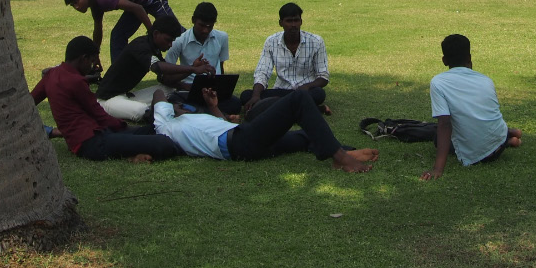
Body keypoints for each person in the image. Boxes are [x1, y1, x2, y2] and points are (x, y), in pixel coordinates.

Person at [153, 87, 377, 173]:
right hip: (240, 143)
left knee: (303, 135)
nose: (184, 109)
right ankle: (340, 158)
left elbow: (221, 128)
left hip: (244, 139)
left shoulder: (192, 120)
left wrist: (213, 108)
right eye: (180, 107)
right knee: (298, 98)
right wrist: (171, 102)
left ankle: (343, 151)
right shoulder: (165, 124)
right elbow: (157, 95)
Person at [31, 36, 179, 162]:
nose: (91, 67)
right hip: (92, 142)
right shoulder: (75, 81)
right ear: (84, 58)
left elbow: (30, 101)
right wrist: (123, 126)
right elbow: (97, 113)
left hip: (96, 134)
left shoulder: (51, 75)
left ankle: (134, 151)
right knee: (162, 142)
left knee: (150, 130)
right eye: (91, 62)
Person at [421, 34, 521, 181]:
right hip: (499, 144)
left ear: (444, 60)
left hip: (480, 155)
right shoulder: (486, 80)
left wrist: (437, 169)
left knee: (438, 139)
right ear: (469, 58)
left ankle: (510, 138)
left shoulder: (438, 82)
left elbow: (444, 123)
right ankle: (509, 136)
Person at [241, 2, 330, 115]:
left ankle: (276, 106)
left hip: (306, 90)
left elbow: (323, 76)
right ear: (281, 23)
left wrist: (306, 87)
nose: (293, 25)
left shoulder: (316, 41)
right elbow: (262, 72)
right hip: (281, 90)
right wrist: (256, 95)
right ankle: (310, 109)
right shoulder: (271, 41)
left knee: (319, 94)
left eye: (296, 20)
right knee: (246, 95)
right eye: (289, 21)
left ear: (301, 22)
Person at [65, 0, 177, 64]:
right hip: (137, 3)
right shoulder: (95, 5)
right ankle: (119, 73)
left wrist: (152, 33)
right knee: (117, 35)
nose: (76, 7)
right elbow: (98, 30)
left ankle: (193, 50)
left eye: (76, 2)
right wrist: (95, 54)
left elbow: (137, 8)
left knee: (173, 29)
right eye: (72, 5)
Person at [96, 14, 185, 120]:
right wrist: (192, 69)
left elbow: (164, 78)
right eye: (168, 40)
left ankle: (158, 108)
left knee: (168, 89)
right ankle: (167, 111)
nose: (170, 45)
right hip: (108, 99)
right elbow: (157, 67)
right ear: (156, 34)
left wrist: (187, 83)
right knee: (140, 111)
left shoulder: (154, 48)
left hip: (126, 95)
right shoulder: (141, 46)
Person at [163, 1, 240, 113]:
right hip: (189, 90)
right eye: (202, 25)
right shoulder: (179, 41)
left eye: (209, 26)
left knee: (236, 104)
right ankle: (211, 111)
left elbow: (221, 66)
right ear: (193, 20)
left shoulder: (222, 37)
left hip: (212, 91)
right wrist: (185, 83)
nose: (205, 30)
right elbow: (166, 76)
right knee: (174, 99)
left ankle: (200, 111)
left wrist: (222, 87)